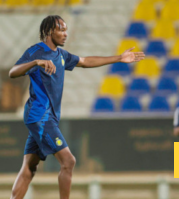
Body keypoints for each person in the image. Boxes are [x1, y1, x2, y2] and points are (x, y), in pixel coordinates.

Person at [9, 15, 145, 199]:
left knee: (29, 167)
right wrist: (35, 63)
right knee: (69, 161)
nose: (66, 34)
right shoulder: (36, 51)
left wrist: (119, 58)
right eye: (61, 30)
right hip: (39, 115)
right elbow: (13, 72)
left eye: (66, 29)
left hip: (47, 117)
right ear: (50, 31)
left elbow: (85, 61)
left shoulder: (61, 55)